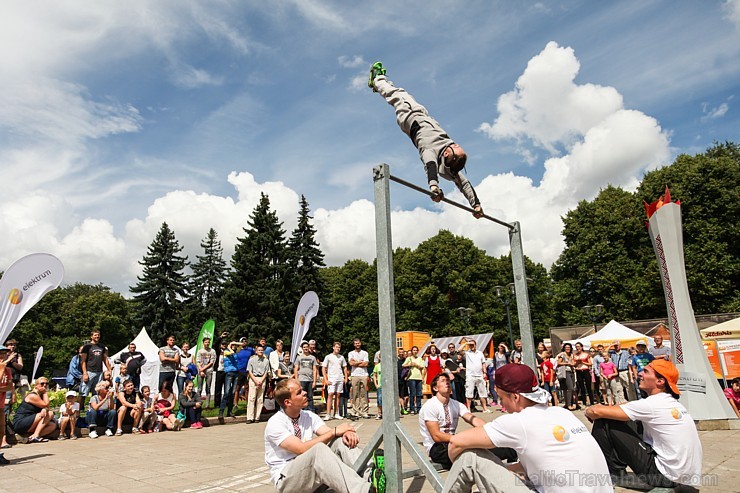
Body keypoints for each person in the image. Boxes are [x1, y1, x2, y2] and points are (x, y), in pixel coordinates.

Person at [445, 364, 612, 493]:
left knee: (469, 457)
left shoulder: (519, 422)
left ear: (515, 397)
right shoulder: (562, 413)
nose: (501, 403)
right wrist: (494, 475)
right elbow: (539, 466)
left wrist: (461, 469)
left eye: (501, 397)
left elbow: (455, 443)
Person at [368, 61, 483, 219]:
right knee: (398, 92)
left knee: (397, 94)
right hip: (423, 115)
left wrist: (434, 187)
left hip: (410, 115)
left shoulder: (431, 151)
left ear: (449, 154)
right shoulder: (452, 170)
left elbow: (430, 165)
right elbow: (464, 184)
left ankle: (377, 80)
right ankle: (382, 84)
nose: (455, 144)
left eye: (456, 147)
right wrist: (476, 205)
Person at [586, 359, 702, 489]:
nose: (640, 374)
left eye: (646, 372)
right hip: (687, 477)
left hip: (664, 477)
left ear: (660, 381)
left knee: (604, 420)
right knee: (626, 418)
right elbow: (624, 408)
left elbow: (595, 411)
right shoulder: (671, 403)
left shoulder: (651, 404)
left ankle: (613, 473)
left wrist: (589, 411)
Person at [264, 378, 375, 493]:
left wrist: (345, 432)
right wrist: (335, 431)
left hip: (310, 476)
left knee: (340, 441)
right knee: (318, 450)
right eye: (299, 392)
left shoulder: (308, 416)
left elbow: (328, 432)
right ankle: (365, 490)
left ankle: (371, 475)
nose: (305, 393)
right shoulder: (276, 422)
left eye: (302, 390)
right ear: (288, 402)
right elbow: (301, 449)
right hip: (287, 481)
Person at [419, 374, 486, 469]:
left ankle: (510, 453)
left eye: (448, 381)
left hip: (454, 442)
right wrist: (463, 439)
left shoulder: (457, 404)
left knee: (486, 446)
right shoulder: (430, 406)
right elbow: (436, 436)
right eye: (443, 381)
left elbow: (472, 419)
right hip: (437, 448)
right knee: (473, 452)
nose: (447, 383)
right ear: (435, 388)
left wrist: (489, 429)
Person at [12, 377, 57, 443]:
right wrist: (45, 392)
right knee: (50, 414)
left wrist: (45, 409)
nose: (44, 385)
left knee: (52, 426)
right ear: (36, 385)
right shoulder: (32, 395)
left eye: (46, 384)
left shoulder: (40, 396)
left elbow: (47, 407)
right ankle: (36, 435)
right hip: (21, 422)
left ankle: (30, 437)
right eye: (42, 384)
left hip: (31, 422)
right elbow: (45, 404)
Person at [79, 330, 111, 407]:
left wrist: (109, 370)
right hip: (89, 371)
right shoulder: (87, 347)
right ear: (91, 336)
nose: (97, 336)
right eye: (95, 335)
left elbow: (105, 359)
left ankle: (93, 407)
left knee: (97, 391)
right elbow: (83, 361)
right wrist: (85, 373)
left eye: (98, 335)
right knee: (83, 392)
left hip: (99, 372)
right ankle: (79, 409)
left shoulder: (102, 347)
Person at [322, 342, 348, 420]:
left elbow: (345, 367)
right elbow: (323, 368)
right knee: (330, 394)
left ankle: (336, 413)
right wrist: (325, 379)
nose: (338, 349)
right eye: (336, 347)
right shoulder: (328, 357)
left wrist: (345, 377)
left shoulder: (341, 357)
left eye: (339, 347)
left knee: (338, 395)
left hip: (340, 378)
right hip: (331, 378)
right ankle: (328, 414)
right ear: (333, 347)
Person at [463, 340, 490, 413]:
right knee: (469, 392)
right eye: (470, 345)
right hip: (470, 375)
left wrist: (484, 372)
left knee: (482, 392)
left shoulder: (480, 353)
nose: (472, 346)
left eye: (473, 344)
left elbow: (483, 363)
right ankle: (468, 409)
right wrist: (466, 343)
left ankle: (485, 408)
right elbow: (459, 350)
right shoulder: (467, 353)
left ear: (475, 345)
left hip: (479, 375)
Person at [246, 345, 271, 424]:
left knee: (260, 399)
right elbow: (249, 371)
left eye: (262, 350)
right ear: (256, 351)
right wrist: (256, 381)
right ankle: (250, 417)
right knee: (252, 398)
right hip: (253, 378)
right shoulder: (251, 360)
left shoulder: (266, 361)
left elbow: (266, 372)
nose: (260, 351)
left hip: (262, 379)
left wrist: (261, 380)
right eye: (259, 350)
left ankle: (257, 417)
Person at [294, 341, 319, 413]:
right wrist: (296, 379)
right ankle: (301, 411)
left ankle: (311, 411)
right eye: (304, 347)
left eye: (307, 347)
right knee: (302, 396)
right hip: (301, 379)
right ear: (302, 348)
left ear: (309, 348)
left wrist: (314, 381)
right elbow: (296, 369)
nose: (305, 348)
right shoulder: (299, 357)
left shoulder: (312, 357)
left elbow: (314, 369)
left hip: (310, 379)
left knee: (310, 397)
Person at [347, 338, 370, 419]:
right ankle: (357, 411)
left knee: (364, 394)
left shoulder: (365, 353)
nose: (357, 344)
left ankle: (364, 411)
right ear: (354, 344)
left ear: (360, 343)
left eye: (358, 343)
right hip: (354, 375)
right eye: (356, 343)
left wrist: (356, 362)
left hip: (363, 374)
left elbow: (366, 363)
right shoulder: (351, 353)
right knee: (355, 394)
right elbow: (351, 363)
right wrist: (360, 361)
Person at [219, 339, 241, 419]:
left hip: (236, 373)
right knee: (227, 392)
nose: (234, 347)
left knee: (232, 393)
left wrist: (234, 343)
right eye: (233, 345)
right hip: (229, 373)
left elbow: (242, 344)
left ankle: (229, 411)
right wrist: (230, 345)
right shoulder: (226, 352)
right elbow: (231, 353)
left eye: (235, 346)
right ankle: (221, 411)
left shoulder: (236, 352)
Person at [403, 346, 425, 415]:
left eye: (416, 350)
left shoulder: (420, 359)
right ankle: (412, 408)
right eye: (414, 350)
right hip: (411, 377)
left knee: (419, 394)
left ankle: (418, 408)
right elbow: (403, 365)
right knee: (412, 394)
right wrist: (410, 364)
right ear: (412, 351)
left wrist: (416, 365)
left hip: (419, 377)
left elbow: (422, 367)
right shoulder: (409, 358)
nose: (415, 351)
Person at [0, 347, 15, 449]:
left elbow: (10, 386)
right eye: (0, 353)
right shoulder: (3, 368)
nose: (2, 356)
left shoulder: (8, 370)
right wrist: (1, 368)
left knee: (1, 428)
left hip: (1, 403)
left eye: (4, 353)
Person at [234, 337, 254, 409]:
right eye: (242, 341)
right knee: (237, 388)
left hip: (247, 371)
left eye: (245, 341)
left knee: (246, 388)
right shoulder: (238, 350)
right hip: (239, 370)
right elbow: (231, 344)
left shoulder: (250, 349)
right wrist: (239, 344)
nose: (244, 342)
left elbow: (255, 355)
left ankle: (248, 404)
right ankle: (235, 404)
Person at [196, 337, 216, 409]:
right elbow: (197, 361)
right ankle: (198, 403)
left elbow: (211, 362)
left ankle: (207, 405)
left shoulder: (212, 351)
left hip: (209, 371)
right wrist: (200, 370)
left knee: (208, 388)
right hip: (201, 371)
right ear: (203, 343)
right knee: (199, 388)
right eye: (206, 342)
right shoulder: (200, 351)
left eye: (208, 342)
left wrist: (203, 369)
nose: (207, 343)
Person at [556, 343, 577, 410]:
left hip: (571, 371)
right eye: (566, 347)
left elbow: (573, 362)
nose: (568, 349)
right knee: (569, 388)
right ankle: (569, 404)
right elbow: (558, 363)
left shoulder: (571, 355)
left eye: (569, 347)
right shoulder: (561, 355)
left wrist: (574, 364)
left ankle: (567, 403)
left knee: (570, 388)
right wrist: (567, 363)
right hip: (565, 372)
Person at [573, 342, 594, 406]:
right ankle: (584, 402)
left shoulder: (586, 354)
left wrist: (583, 362)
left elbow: (590, 363)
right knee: (581, 387)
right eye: (576, 347)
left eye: (579, 346)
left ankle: (592, 402)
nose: (578, 348)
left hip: (585, 370)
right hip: (578, 371)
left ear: (582, 347)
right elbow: (573, 364)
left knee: (588, 387)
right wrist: (577, 363)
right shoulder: (575, 355)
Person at [214, 339, 227, 409]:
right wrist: (221, 337)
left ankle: (225, 402)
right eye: (223, 344)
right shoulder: (218, 351)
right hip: (219, 371)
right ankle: (217, 403)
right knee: (218, 388)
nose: (224, 345)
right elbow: (216, 345)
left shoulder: (228, 351)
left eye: (225, 344)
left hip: (226, 371)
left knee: (226, 389)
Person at [372, 352, 383, 420]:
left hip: (387, 386)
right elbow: (374, 375)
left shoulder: (388, 365)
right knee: (379, 399)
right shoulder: (377, 366)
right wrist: (376, 384)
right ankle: (379, 413)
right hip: (380, 385)